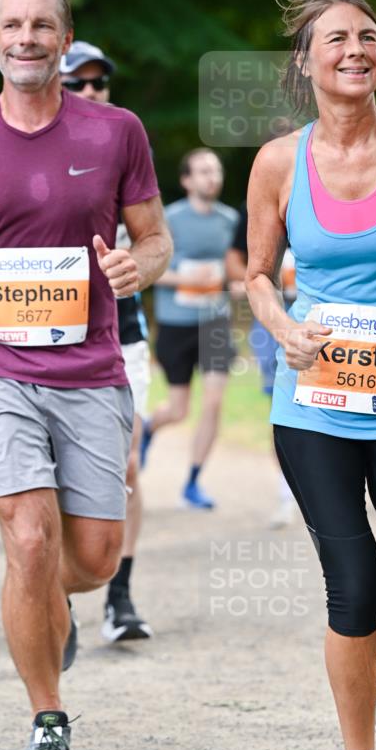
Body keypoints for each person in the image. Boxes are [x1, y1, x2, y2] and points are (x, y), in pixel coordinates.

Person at [0, 0, 171, 750]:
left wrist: (143, 266)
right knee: (28, 539)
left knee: (91, 559)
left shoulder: (116, 132)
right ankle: (48, 716)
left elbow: (155, 237)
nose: (27, 37)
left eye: (43, 25)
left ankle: (46, 591)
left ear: (63, 42)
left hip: (91, 370)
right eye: (13, 25)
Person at [246, 0, 376, 750]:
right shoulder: (277, 161)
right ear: (306, 63)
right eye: (335, 38)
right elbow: (257, 274)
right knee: (354, 583)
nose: (355, 50)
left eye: (368, 36)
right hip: (317, 403)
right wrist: (281, 326)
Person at [60, 40, 152, 642]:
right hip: (51, 341)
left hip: (125, 336)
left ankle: (119, 595)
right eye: (80, 84)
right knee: (61, 475)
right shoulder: (24, 154)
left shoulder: (124, 148)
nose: (93, 93)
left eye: (101, 83)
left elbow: (153, 238)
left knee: (128, 466)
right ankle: (59, 590)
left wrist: (140, 263)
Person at [143, 149, 239, 509]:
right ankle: (151, 427)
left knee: (213, 404)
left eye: (215, 171)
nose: (211, 178)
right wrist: (188, 278)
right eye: (202, 171)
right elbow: (150, 270)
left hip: (215, 324)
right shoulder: (169, 219)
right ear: (186, 180)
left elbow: (237, 268)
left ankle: (194, 481)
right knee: (179, 409)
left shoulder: (230, 221)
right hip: (176, 325)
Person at [226, 203, 297, 528]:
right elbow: (235, 262)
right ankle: (286, 497)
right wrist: (262, 286)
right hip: (273, 321)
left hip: (335, 319)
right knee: (280, 408)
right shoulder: (257, 205)